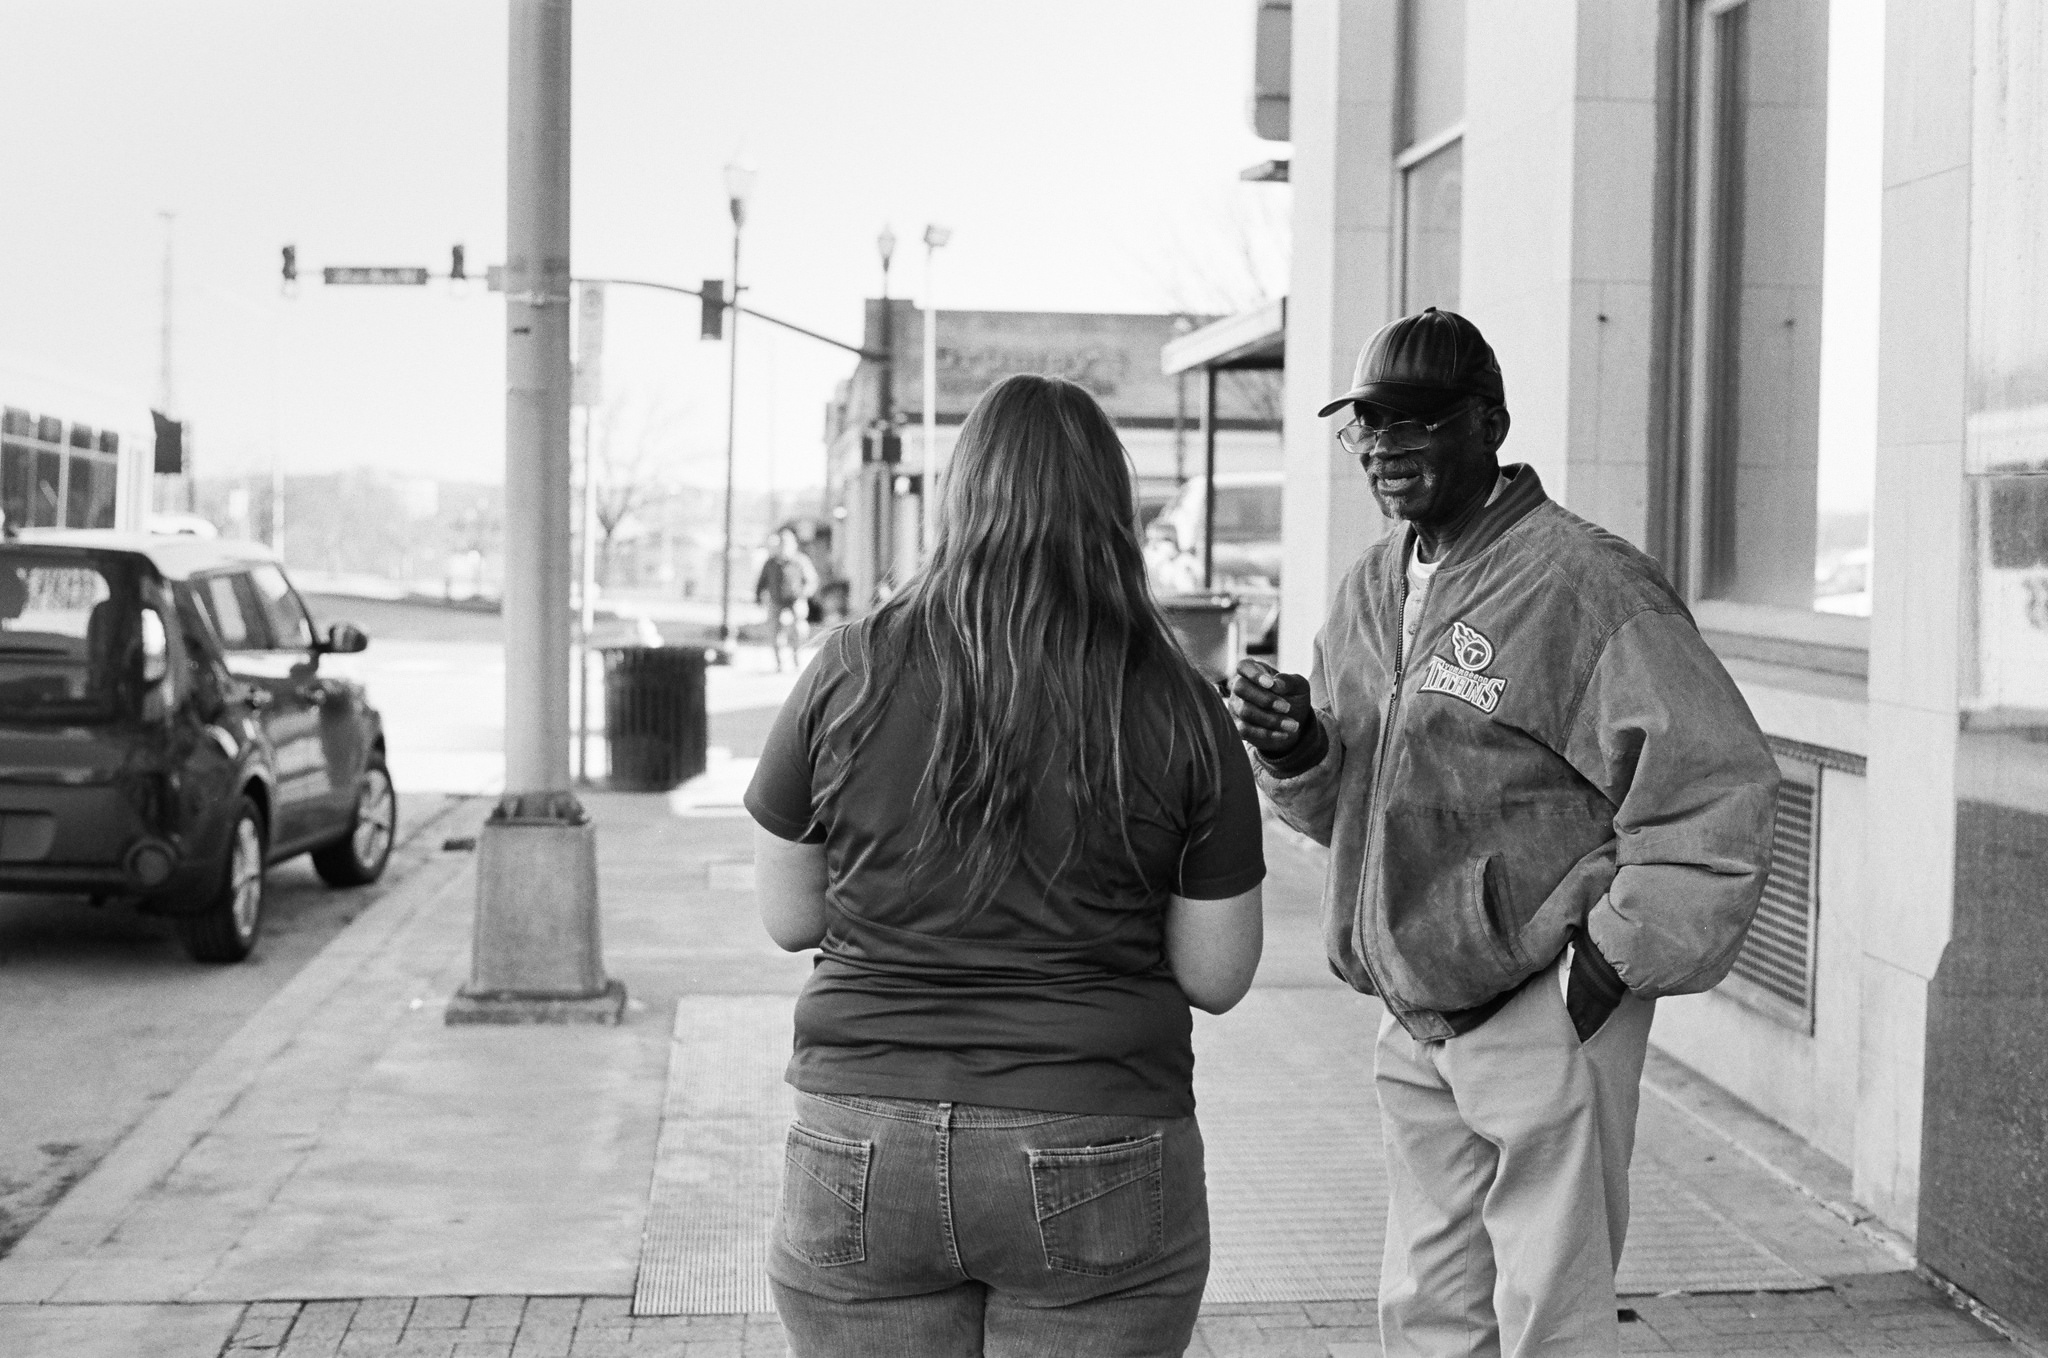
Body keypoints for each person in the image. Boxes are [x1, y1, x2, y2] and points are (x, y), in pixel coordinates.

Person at [1228, 308, 1779, 1356]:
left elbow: (1713, 786)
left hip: (1544, 996)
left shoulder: (1582, 578)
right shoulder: (1367, 586)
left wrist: (1597, 970)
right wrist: (1296, 746)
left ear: (1489, 424)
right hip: (1414, 1005)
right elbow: (1348, 795)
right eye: (1366, 427)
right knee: (1426, 1310)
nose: (1384, 448)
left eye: (1415, 422)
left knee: (1550, 1315)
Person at [746, 373, 1266, 1357]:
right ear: (1112, 510)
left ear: (959, 496)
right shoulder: (1177, 702)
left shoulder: (847, 668)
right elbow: (1216, 972)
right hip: (1094, 1139)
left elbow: (789, 914)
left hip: (860, 1139)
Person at [756, 528, 820, 671]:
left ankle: (797, 660)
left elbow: (811, 580)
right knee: (774, 631)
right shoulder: (771, 563)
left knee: (798, 629)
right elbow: (761, 582)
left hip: (795, 599)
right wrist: (758, 598)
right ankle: (778, 663)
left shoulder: (800, 561)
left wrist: (804, 594)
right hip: (775, 600)